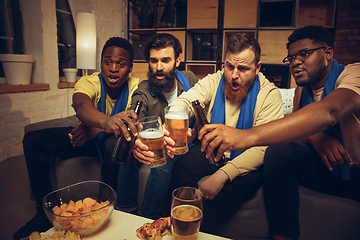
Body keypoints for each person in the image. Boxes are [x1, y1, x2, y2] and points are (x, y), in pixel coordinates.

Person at [202, 26, 360, 240]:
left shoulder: (353, 73)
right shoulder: (301, 92)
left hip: (355, 171)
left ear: (328, 53)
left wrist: (245, 136)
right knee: (278, 152)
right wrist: (317, 136)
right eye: (291, 57)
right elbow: (297, 131)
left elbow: (330, 111)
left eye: (304, 54)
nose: (296, 62)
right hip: (323, 166)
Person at [13, 37, 139, 240]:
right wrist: (103, 124)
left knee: (114, 144)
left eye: (121, 64)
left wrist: (95, 129)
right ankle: (44, 211)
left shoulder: (136, 87)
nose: (113, 68)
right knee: (33, 140)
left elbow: (131, 122)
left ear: (130, 68)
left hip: (106, 140)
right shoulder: (89, 81)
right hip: (85, 139)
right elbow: (81, 106)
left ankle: (104, 208)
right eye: (108, 62)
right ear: (101, 64)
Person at [166, 33, 284, 233]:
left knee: (219, 201)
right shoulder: (214, 80)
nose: (233, 75)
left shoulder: (269, 95)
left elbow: (265, 147)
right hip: (212, 149)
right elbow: (186, 100)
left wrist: (223, 175)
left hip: (249, 159)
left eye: (243, 69)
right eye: (230, 66)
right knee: (182, 167)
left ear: (258, 68)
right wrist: (173, 120)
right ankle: (173, 229)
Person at [115, 33, 198, 219]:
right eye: (154, 61)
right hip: (162, 145)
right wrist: (136, 138)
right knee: (135, 149)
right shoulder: (144, 90)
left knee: (167, 154)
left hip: (187, 147)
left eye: (165, 60)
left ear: (177, 61)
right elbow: (135, 117)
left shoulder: (190, 80)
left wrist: (192, 134)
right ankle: (124, 211)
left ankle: (150, 220)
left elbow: (204, 112)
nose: (159, 67)